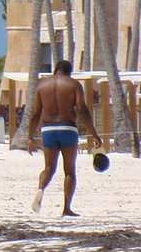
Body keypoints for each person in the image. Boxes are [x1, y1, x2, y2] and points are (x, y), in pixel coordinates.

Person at [26, 60, 101, 217]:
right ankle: (66, 208)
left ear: (55, 70)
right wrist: (94, 134)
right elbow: (81, 109)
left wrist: (30, 137)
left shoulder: (41, 86)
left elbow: (35, 114)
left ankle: (41, 189)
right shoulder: (73, 84)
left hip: (48, 129)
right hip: (67, 128)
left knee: (48, 168)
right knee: (69, 171)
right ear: (69, 71)